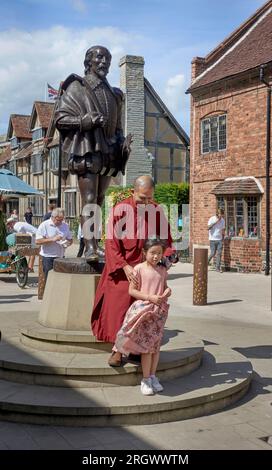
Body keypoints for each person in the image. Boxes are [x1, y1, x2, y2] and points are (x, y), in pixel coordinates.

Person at [55, 45, 131, 261]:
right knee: (89, 199)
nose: (104, 62)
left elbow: (117, 127)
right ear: (88, 61)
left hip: (108, 153)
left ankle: (94, 243)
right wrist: (83, 121)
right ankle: (89, 248)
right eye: (99, 57)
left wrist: (122, 143)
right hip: (87, 149)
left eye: (107, 58)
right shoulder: (77, 87)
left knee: (98, 200)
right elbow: (61, 119)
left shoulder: (114, 94)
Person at [91, 175, 174, 367]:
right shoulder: (120, 210)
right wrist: (124, 265)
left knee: (145, 313)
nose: (146, 202)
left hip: (147, 271)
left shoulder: (156, 210)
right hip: (123, 271)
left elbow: (166, 240)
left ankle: (138, 349)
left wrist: (167, 255)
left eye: (149, 198)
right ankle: (118, 351)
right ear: (133, 191)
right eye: (141, 198)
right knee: (120, 312)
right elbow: (111, 243)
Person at [114, 238, 171, 395]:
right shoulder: (138, 269)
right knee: (146, 347)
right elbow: (132, 291)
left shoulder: (162, 270)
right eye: (152, 253)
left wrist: (167, 292)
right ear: (144, 252)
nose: (155, 256)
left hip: (158, 312)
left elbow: (164, 286)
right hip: (143, 311)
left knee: (155, 347)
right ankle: (145, 379)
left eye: (159, 253)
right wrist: (149, 297)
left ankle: (153, 376)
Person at [35, 208, 73, 282]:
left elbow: (70, 240)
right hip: (48, 257)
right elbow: (37, 241)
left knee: (60, 280)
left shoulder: (65, 225)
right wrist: (52, 239)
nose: (60, 222)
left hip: (61, 256)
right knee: (49, 280)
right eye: (58, 220)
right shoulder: (44, 225)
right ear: (52, 217)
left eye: (61, 220)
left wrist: (67, 243)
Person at [207, 208, 225, 273]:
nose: (221, 217)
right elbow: (208, 228)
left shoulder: (223, 220)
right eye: (220, 215)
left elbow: (223, 229)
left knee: (219, 254)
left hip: (219, 239)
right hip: (212, 239)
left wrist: (223, 238)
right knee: (212, 253)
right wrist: (216, 222)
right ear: (217, 214)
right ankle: (205, 264)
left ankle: (217, 268)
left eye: (222, 215)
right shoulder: (212, 219)